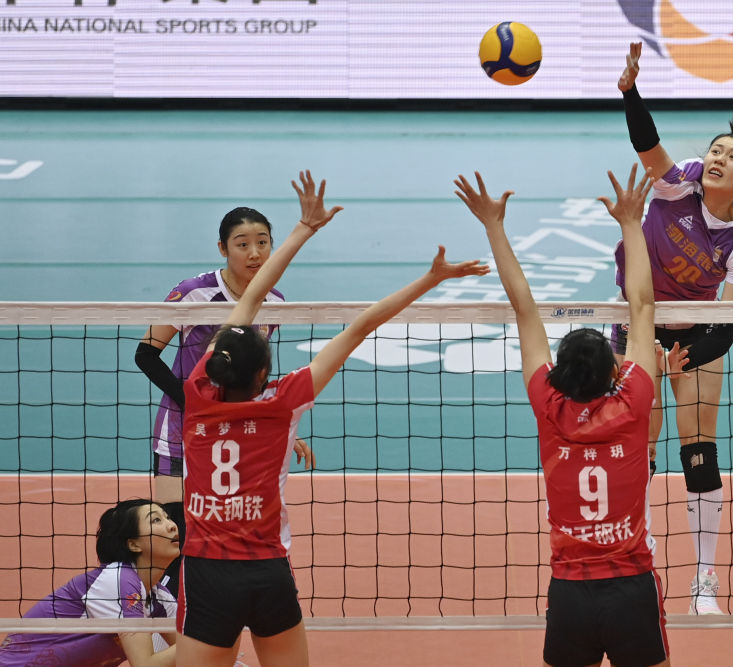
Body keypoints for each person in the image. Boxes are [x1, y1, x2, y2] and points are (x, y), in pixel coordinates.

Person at [176, 170, 488, 667]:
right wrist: (431, 280)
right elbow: (361, 326)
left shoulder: (196, 395)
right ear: (263, 373)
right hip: (266, 571)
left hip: (207, 572)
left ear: (215, 364)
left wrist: (304, 227)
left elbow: (249, 300)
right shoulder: (283, 402)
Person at [456, 165, 687, 667]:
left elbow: (524, 310)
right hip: (631, 588)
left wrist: (493, 226)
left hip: (570, 593)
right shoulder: (634, 402)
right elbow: (643, 305)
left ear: (557, 373)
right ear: (615, 372)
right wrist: (632, 223)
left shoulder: (548, 404)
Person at [615, 41, 733, 614]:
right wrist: (630, 92)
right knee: (636, 441)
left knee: (698, 447)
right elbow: (647, 145)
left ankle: (704, 579)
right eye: (715, 150)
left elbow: (731, 323)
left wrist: (684, 357)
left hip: (699, 333)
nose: (717, 158)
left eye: (731, 156)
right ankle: (634, 552)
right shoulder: (679, 184)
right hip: (636, 320)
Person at [135, 203, 315, 597]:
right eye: (242, 244)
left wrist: (280, 428)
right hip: (179, 430)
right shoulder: (193, 293)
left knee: (220, 534)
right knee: (175, 536)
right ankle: (163, 615)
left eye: (263, 242)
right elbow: (145, 354)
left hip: (232, 435)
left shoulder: (275, 302)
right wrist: (194, 402)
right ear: (222, 248)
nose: (254, 253)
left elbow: (251, 378)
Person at [0, 499, 179, 667]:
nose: (172, 525)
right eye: (156, 520)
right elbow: (145, 664)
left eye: (168, 517)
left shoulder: (160, 598)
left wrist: (193, 642)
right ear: (133, 544)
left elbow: (187, 655)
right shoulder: (118, 580)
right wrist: (196, 639)